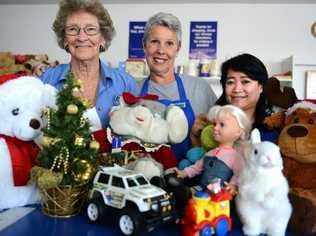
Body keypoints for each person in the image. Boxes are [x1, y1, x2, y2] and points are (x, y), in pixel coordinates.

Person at [38, 0, 136, 129]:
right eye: (73, 29)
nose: (82, 37)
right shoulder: (46, 79)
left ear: (103, 38)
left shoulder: (125, 83)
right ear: (65, 39)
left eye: (90, 29)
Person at [138, 12, 217, 160]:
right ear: (144, 45)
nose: (161, 50)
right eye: (154, 41)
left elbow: (219, 139)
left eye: (169, 43)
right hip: (142, 178)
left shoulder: (200, 88)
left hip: (188, 178)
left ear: (178, 48)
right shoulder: (131, 89)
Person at [191, 53, 277, 143]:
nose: (237, 89)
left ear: (261, 87)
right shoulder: (212, 127)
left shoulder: (271, 131)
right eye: (230, 82)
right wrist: (195, 136)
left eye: (245, 81)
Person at [174, 105, 251, 195]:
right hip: (202, 188)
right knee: (185, 193)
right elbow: (196, 168)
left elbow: (239, 174)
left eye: (221, 125)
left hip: (219, 193)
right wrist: (183, 173)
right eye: (215, 124)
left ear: (238, 132)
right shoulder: (210, 153)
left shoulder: (235, 157)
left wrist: (233, 185)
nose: (215, 127)